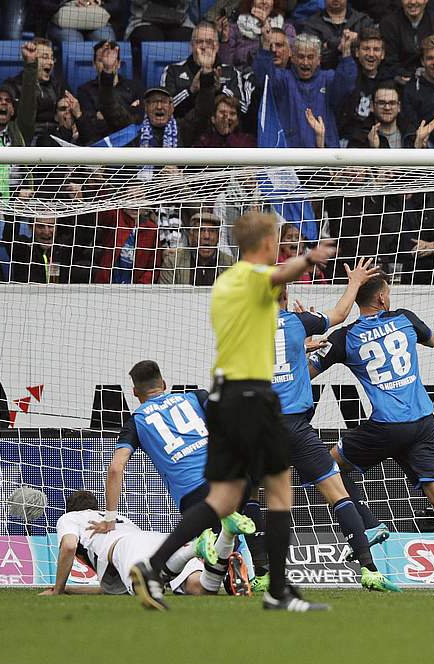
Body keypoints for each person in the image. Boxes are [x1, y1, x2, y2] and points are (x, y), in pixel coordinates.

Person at [129, 211, 337, 612]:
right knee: (278, 491)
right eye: (277, 240)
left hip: (228, 397)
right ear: (265, 244)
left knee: (225, 499)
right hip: (249, 398)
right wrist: (311, 257)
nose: (280, 249)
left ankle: (152, 566)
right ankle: (277, 589)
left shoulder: (231, 283)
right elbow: (279, 276)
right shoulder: (247, 276)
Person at [311, 274, 434, 592]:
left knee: (327, 466)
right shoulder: (404, 318)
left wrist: (303, 345)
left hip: (386, 426)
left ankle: (369, 525)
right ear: (382, 299)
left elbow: (305, 373)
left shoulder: (344, 338)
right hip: (423, 423)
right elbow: (432, 339)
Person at [273, 260, 400, 592]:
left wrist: (301, 349)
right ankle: (370, 570)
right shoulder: (298, 321)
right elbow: (341, 314)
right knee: (337, 493)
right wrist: (355, 282)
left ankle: (260, 572)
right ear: (285, 292)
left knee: (259, 499)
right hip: (296, 428)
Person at [105, 361, 258, 598]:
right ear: (164, 384)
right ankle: (234, 562)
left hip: (195, 491)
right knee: (225, 532)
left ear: (135, 392)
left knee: (205, 547)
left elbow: (116, 468)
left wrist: (110, 517)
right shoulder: (197, 397)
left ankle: (217, 568)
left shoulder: (136, 421)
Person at [43, 490, 218, 597]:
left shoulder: (70, 517)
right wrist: (69, 590)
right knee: (200, 589)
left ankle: (193, 549)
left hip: (127, 548)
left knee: (144, 590)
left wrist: (58, 590)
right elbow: (109, 591)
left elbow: (69, 546)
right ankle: (219, 553)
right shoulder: (118, 517)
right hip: (159, 539)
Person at [253, 30, 357, 148]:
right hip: (289, 156)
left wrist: (346, 51)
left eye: (310, 57)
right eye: (301, 56)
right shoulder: (282, 79)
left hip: (324, 154)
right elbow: (262, 77)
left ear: (319, 60)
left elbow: (347, 84)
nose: (305, 62)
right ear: (292, 57)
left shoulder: (329, 79)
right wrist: (266, 46)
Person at [378, 0, 434, 75]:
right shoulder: (388, 25)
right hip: (400, 80)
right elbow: (389, 63)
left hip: (433, 79)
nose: (413, 2)